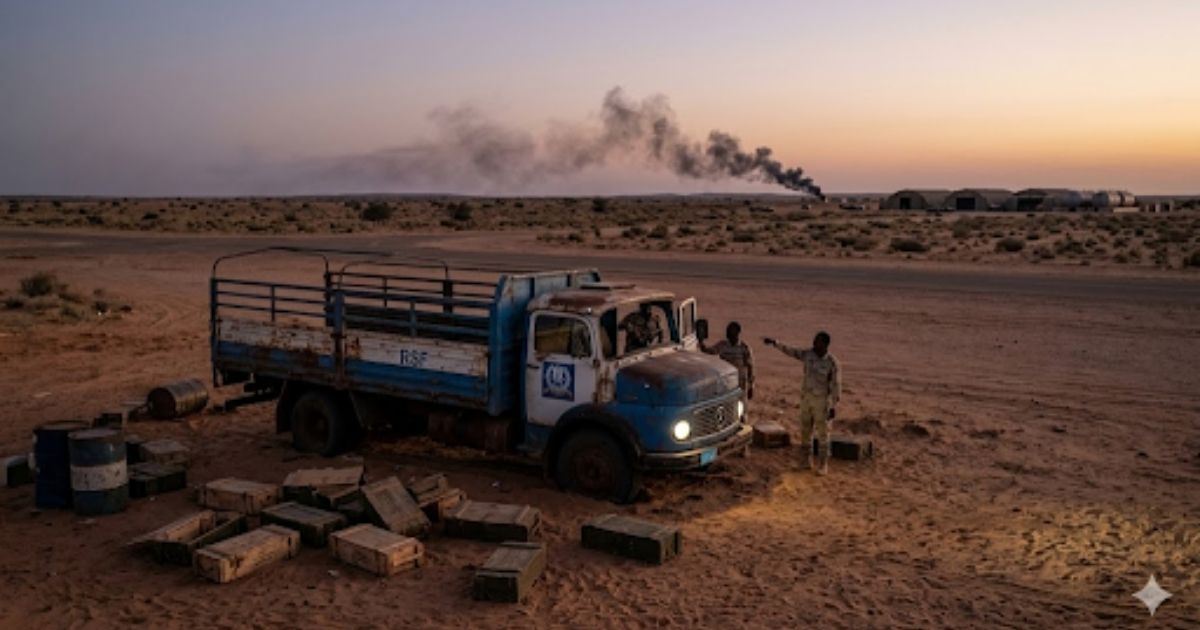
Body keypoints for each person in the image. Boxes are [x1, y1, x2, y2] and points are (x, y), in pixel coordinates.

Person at [763, 331, 841, 475]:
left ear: (825, 344)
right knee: (806, 431)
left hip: (822, 401)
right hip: (806, 399)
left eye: (817, 341)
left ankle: (823, 465)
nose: (814, 343)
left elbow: (835, 386)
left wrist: (833, 406)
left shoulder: (831, 362)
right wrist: (776, 343)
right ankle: (806, 462)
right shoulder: (808, 355)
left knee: (823, 434)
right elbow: (792, 351)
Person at [701, 321, 755, 404]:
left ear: (738, 333)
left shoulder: (744, 348)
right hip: (726, 381)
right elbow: (709, 351)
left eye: (731, 332)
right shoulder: (722, 345)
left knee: (741, 405)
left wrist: (751, 386)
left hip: (740, 382)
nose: (729, 334)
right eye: (728, 331)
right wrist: (701, 342)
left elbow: (750, 367)